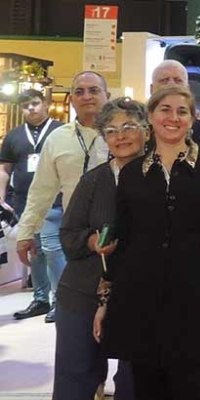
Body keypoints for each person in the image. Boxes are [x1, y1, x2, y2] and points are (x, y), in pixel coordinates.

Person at [94, 85, 200, 398]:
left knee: (193, 385)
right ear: (150, 116)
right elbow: (125, 240)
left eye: (182, 111)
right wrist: (107, 298)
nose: (173, 118)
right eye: (165, 110)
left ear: (192, 119)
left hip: (194, 295)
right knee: (147, 385)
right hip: (141, 297)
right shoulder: (132, 173)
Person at [56, 97, 142, 400]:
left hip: (138, 296)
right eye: (111, 131)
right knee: (75, 379)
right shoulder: (93, 181)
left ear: (146, 130)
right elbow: (68, 235)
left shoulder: (161, 178)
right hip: (82, 291)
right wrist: (92, 241)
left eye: (129, 127)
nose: (121, 136)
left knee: (136, 381)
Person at [17, 71, 110, 324]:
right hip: (78, 239)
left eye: (94, 90)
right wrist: (26, 232)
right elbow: (41, 190)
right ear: (71, 99)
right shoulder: (57, 139)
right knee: (78, 321)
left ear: (107, 95)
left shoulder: (124, 135)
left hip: (120, 238)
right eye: (79, 92)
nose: (86, 96)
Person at [1, 89, 63, 321]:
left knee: (52, 249)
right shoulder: (14, 135)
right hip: (24, 202)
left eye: (35, 103)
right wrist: (1, 196)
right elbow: (4, 168)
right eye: (26, 105)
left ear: (46, 104)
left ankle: (61, 300)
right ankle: (40, 299)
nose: (31, 108)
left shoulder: (61, 131)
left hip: (54, 200)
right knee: (34, 251)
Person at [149, 60, 200, 143]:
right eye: (164, 80)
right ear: (151, 89)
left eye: (178, 80)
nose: (171, 84)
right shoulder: (138, 125)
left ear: (188, 88)